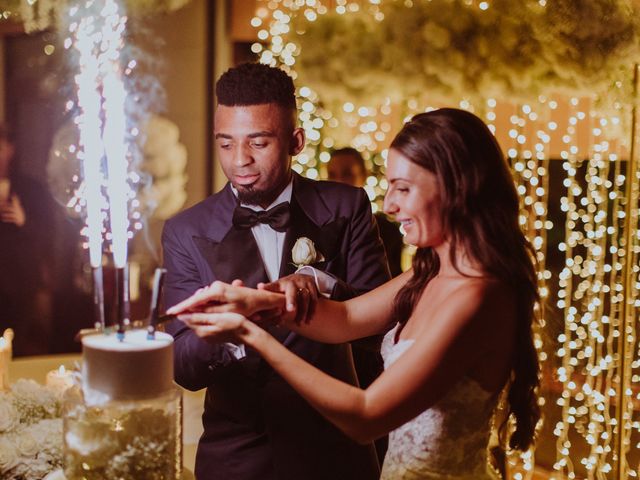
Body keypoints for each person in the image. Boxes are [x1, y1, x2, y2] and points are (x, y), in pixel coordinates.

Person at [168, 108, 541, 479]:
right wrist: (259, 303)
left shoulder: (478, 296)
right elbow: (346, 319)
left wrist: (253, 335)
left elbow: (366, 417)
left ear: (456, 189)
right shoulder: (427, 274)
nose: (389, 205)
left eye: (404, 188)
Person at [161, 63, 390, 480]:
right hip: (239, 460)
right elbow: (181, 366)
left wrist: (321, 284)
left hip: (336, 452)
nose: (240, 160)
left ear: (295, 141)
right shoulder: (185, 231)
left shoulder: (347, 207)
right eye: (225, 144)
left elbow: (382, 327)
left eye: (259, 142)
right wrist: (228, 333)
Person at [0, 123, 54, 356]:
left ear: (10, 149)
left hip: (21, 283)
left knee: (20, 344)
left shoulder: (31, 189)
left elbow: (48, 234)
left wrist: (23, 220)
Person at [328, 148, 404, 277]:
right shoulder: (315, 225)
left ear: (364, 175)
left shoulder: (388, 231)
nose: (338, 181)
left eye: (347, 174)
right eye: (332, 175)